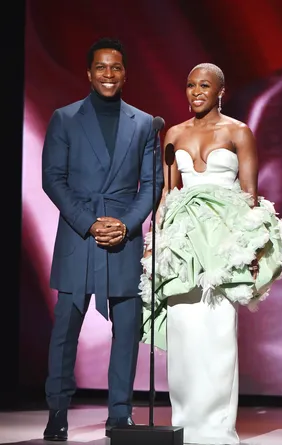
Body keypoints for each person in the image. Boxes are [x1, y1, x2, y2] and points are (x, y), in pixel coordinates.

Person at [139, 63, 282, 444]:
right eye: (191, 85)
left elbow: (250, 195)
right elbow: (168, 192)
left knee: (216, 333)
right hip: (181, 244)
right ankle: (184, 422)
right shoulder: (174, 133)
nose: (196, 91)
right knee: (183, 333)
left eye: (205, 85)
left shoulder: (238, 132)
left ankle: (214, 430)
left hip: (221, 244)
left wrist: (249, 245)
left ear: (220, 91)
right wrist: (154, 239)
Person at [42, 37, 163, 441]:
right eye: (101, 67)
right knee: (65, 333)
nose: (108, 74)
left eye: (115, 67)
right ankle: (57, 412)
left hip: (123, 239)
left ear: (125, 74)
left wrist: (126, 225)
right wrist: (91, 223)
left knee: (128, 329)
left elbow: (152, 185)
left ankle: (120, 414)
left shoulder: (145, 123)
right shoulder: (65, 118)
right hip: (80, 236)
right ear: (89, 73)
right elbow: (53, 180)